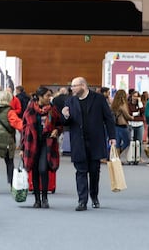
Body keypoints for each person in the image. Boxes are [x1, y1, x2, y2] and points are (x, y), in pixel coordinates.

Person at [62, 77, 116, 211]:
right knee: (80, 171)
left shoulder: (98, 99)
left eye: (74, 86)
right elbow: (66, 124)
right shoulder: (70, 101)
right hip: (78, 141)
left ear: (83, 86)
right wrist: (66, 116)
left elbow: (108, 118)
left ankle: (94, 196)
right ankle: (82, 200)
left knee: (94, 171)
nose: (72, 88)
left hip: (95, 140)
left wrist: (112, 136)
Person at [20, 87, 61, 208]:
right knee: (35, 170)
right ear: (40, 97)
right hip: (31, 143)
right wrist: (22, 148)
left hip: (47, 143)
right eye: (47, 96)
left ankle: (45, 198)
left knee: (43, 169)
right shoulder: (30, 110)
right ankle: (37, 199)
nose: (49, 98)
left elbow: (59, 124)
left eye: (50, 96)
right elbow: (24, 129)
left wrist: (56, 130)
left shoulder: (52, 110)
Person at [111, 89, 134, 156]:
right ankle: (117, 155)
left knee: (117, 143)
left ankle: (116, 157)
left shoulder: (114, 104)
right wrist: (132, 117)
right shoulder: (122, 105)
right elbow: (127, 116)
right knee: (127, 142)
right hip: (123, 126)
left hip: (116, 125)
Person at [128, 90, 145, 156]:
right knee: (132, 141)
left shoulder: (140, 104)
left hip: (139, 124)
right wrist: (137, 113)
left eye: (137, 96)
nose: (135, 98)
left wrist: (140, 102)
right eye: (134, 96)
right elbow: (129, 113)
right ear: (131, 96)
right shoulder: (128, 104)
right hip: (131, 124)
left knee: (139, 142)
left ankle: (138, 156)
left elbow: (142, 111)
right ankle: (131, 156)